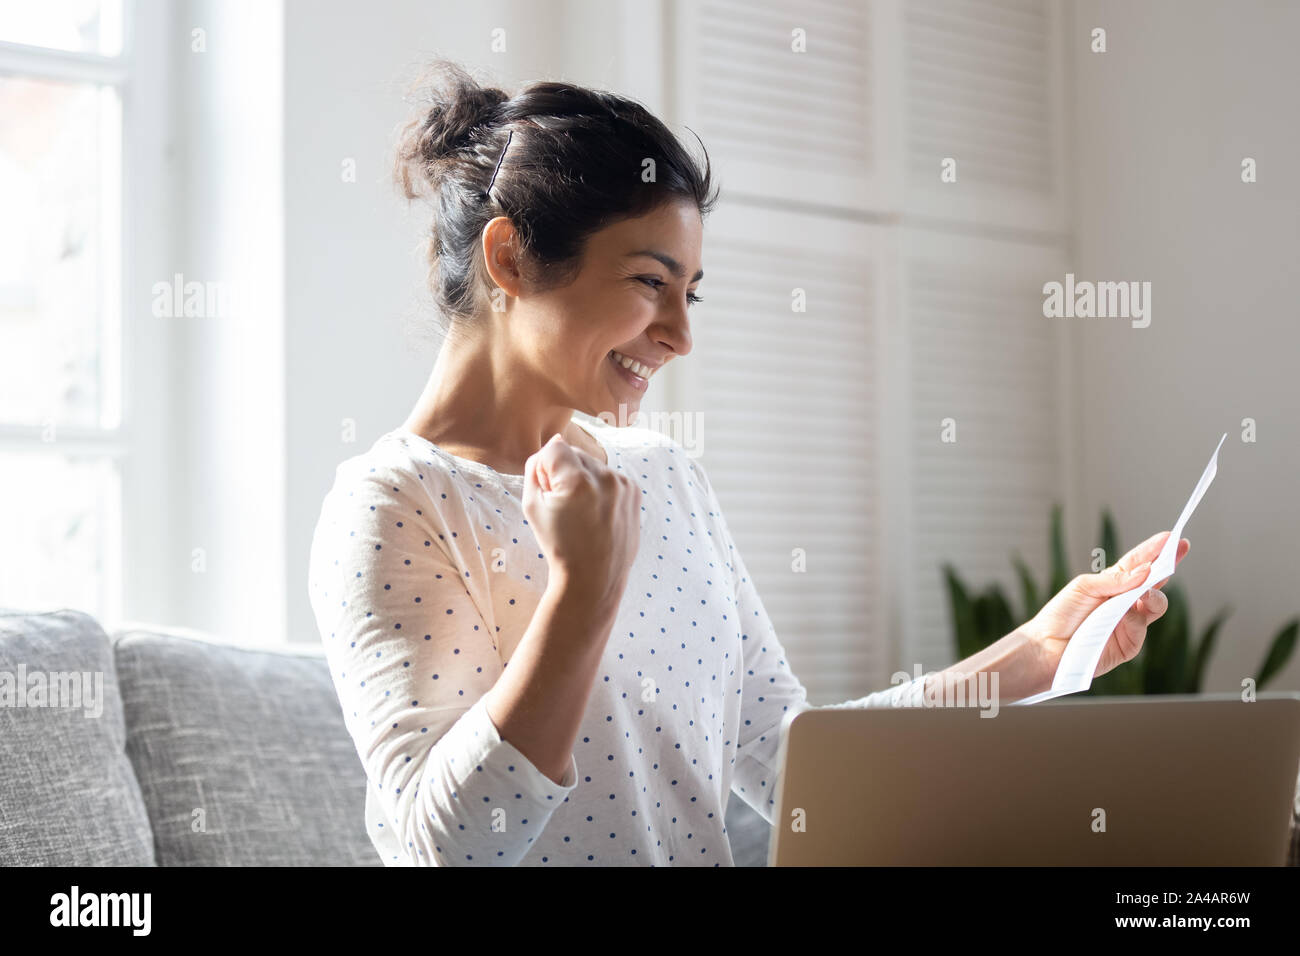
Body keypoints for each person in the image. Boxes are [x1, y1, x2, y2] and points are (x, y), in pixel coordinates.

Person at [306, 60, 1188, 866]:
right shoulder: (395, 503)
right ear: (511, 258)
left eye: (690, 294)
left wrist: (1037, 651)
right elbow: (445, 846)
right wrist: (582, 593)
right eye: (651, 282)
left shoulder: (662, 476)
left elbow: (786, 762)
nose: (681, 336)